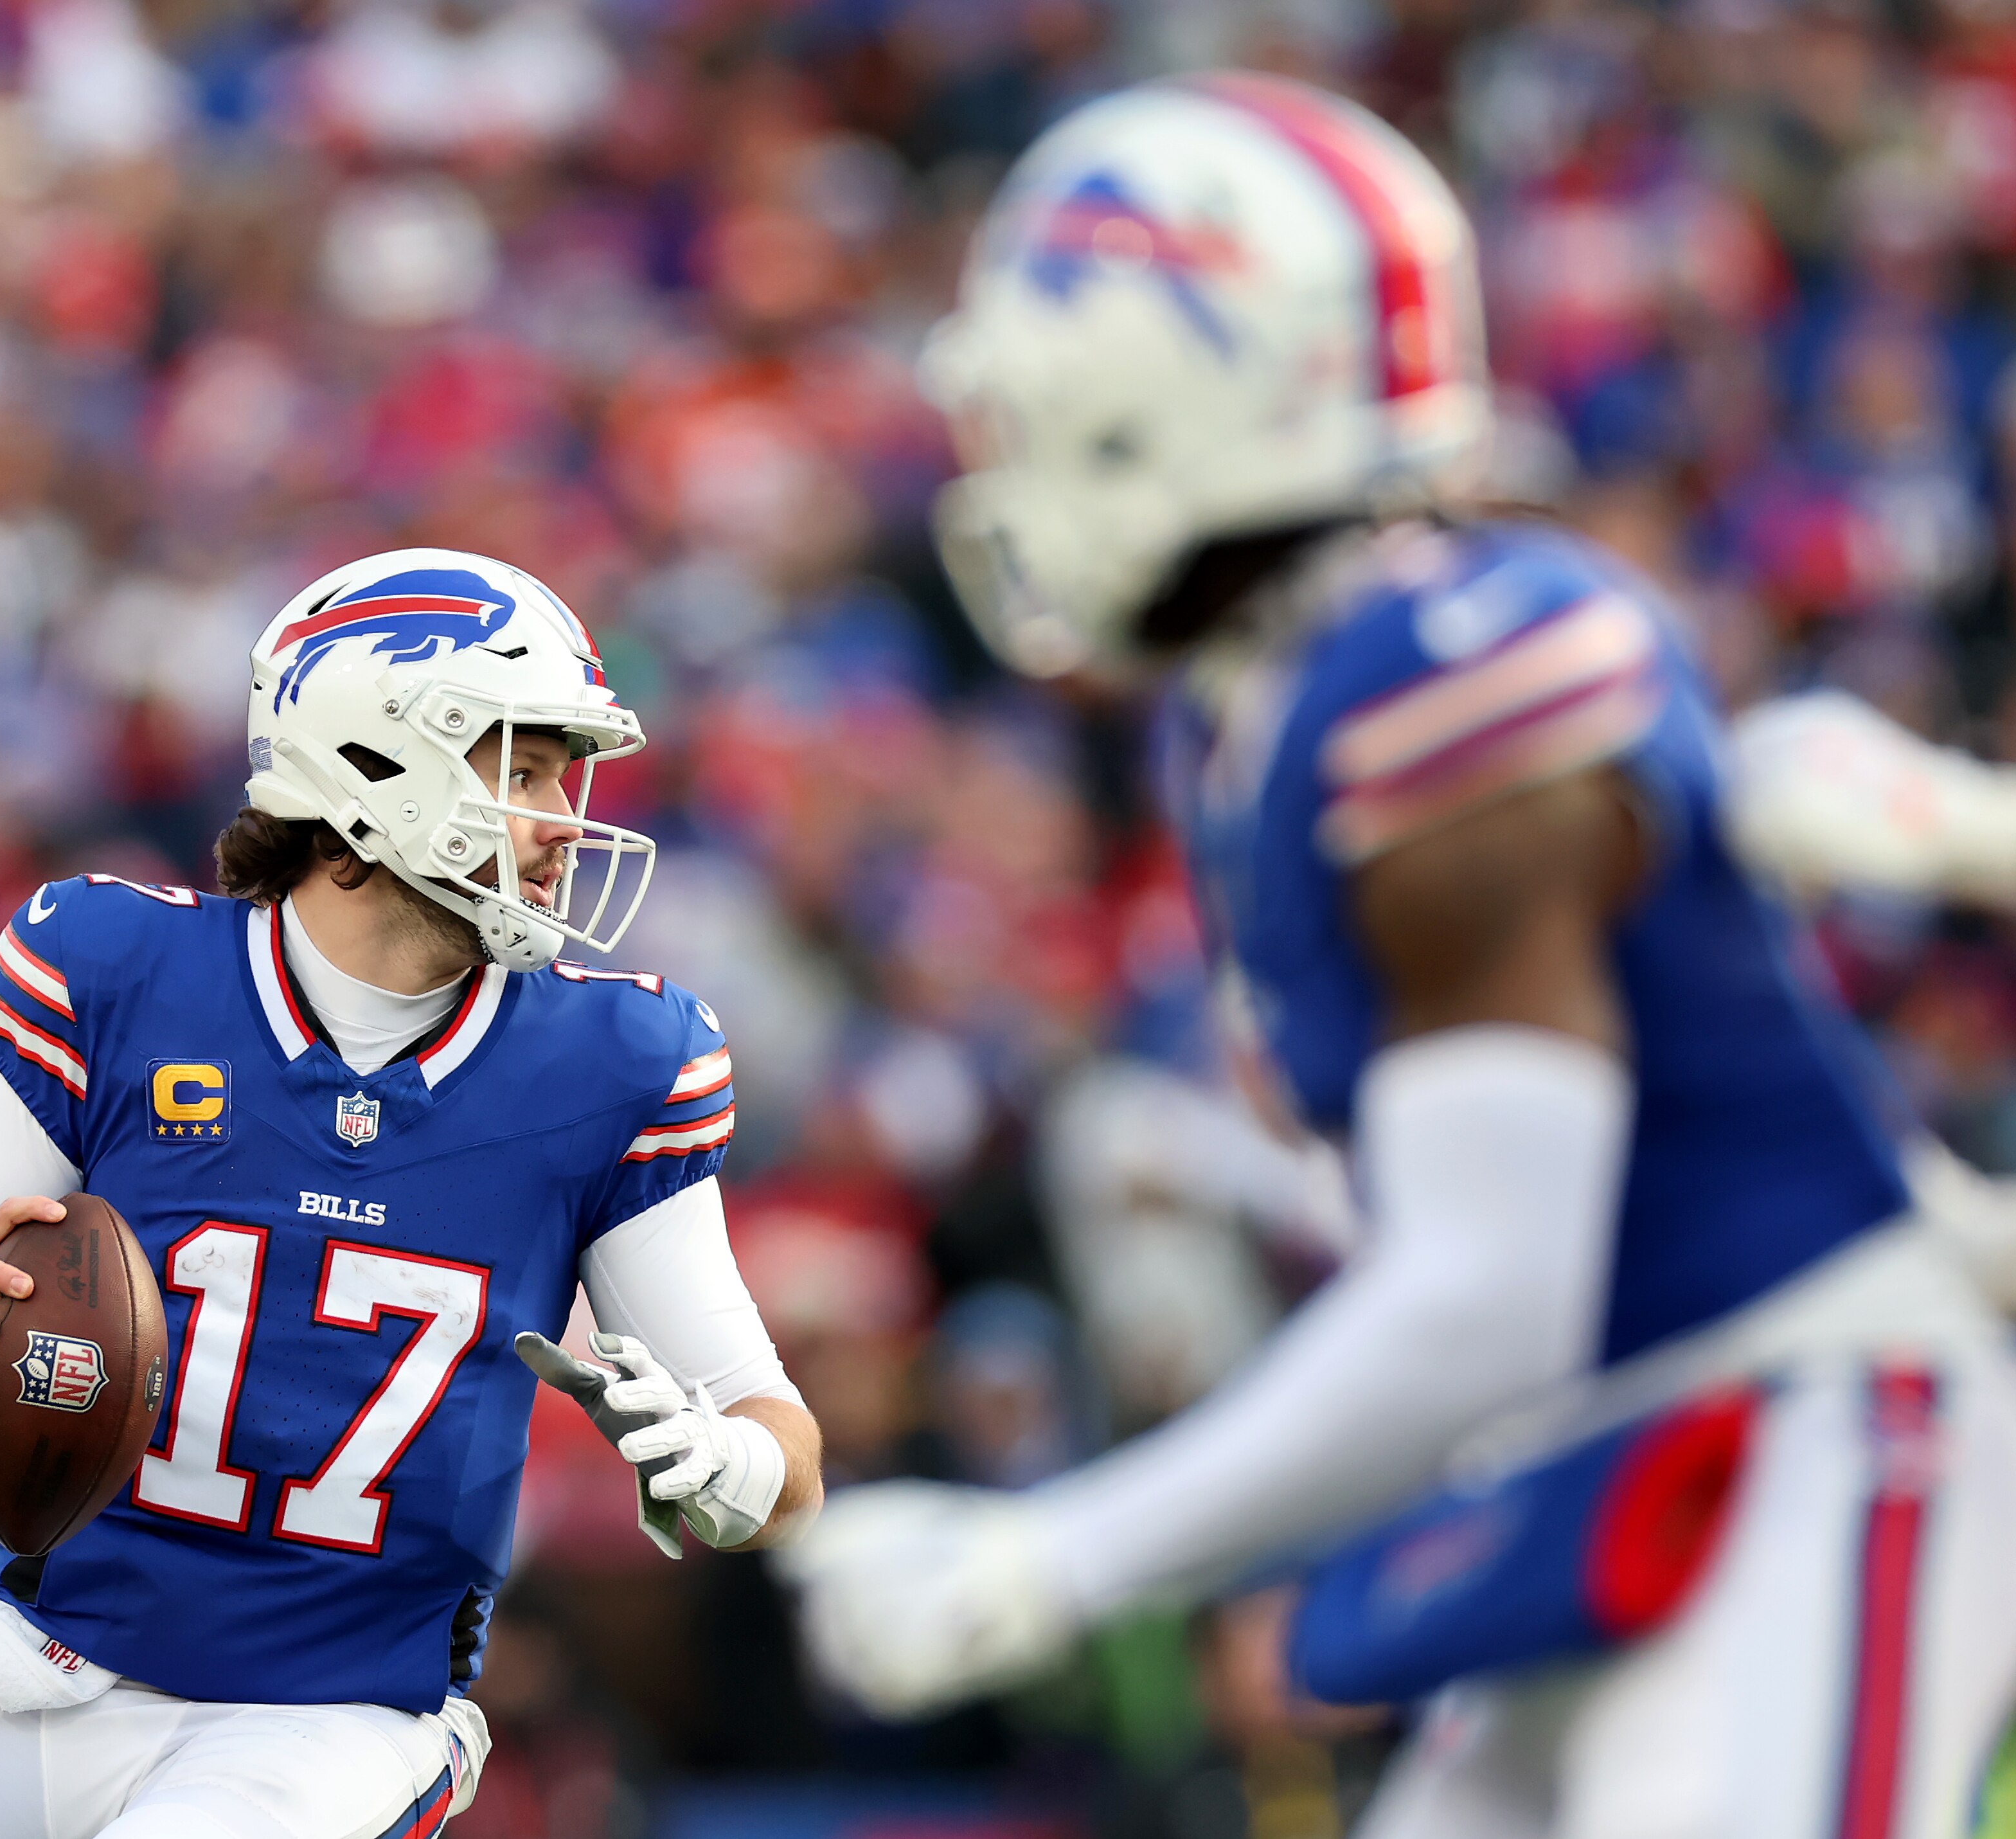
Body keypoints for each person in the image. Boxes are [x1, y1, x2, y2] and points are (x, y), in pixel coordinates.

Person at [778, 75, 2016, 1836]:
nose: (1010, 472)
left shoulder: (1440, 673)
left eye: (1053, 418)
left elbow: (1484, 1293)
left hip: (1803, 1431)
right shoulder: (1278, 709)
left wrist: (1060, 1548)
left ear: (1183, 405)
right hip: (1606, 1479)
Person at [0, 547, 823, 1839]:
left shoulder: (611, 1064)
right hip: (48, 1668)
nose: (558, 821)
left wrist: (720, 1464)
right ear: (371, 765)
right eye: (518, 769)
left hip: (331, 1725)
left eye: (563, 775)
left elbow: (782, 1457)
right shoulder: (123, 976)